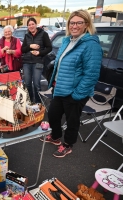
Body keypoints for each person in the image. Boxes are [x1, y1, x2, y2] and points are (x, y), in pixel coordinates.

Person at [40, 10, 103, 158]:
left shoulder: (90, 45)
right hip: (60, 88)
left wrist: (77, 94)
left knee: (72, 120)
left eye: (79, 23)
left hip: (75, 92)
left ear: (86, 24)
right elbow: (60, 64)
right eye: (72, 22)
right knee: (53, 114)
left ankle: (67, 145)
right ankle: (55, 137)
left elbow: (91, 75)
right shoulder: (67, 41)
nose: (74, 26)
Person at [21, 18, 52, 103]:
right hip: (27, 62)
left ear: (36, 24)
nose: (31, 26)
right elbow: (23, 49)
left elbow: (49, 48)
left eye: (32, 24)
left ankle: (38, 103)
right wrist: (30, 46)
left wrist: (39, 53)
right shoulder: (27, 35)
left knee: (36, 84)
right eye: (29, 25)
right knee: (27, 84)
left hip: (38, 62)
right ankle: (30, 101)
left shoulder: (43, 34)